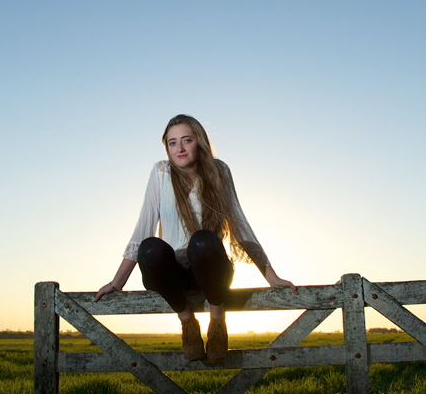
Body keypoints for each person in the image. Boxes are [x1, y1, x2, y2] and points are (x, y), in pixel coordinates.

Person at [93, 114, 296, 365]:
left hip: (210, 269)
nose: (179, 148)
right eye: (172, 142)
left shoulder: (219, 171)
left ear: (199, 141)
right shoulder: (161, 172)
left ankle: (217, 320)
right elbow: (143, 227)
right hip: (173, 274)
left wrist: (270, 275)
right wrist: (117, 281)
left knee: (202, 240)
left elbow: (239, 224)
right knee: (150, 248)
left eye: (186, 140)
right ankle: (187, 320)